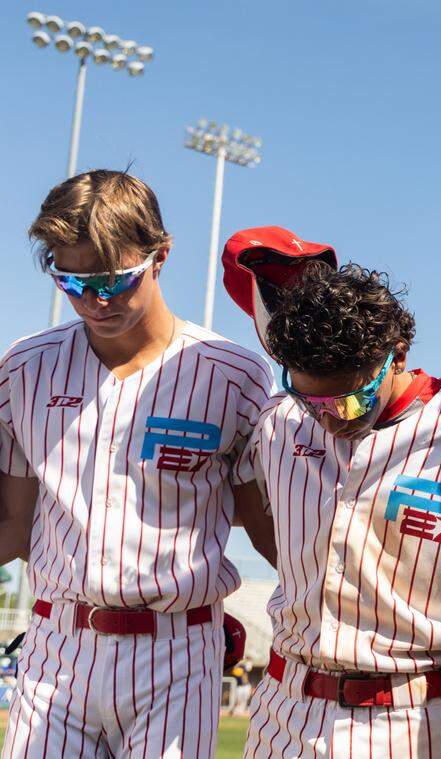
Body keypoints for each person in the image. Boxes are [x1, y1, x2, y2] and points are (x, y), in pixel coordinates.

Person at [0, 170, 276, 758]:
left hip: (178, 651)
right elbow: (12, 528)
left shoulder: (233, 374)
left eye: (113, 279)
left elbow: (271, 530)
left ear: (161, 254)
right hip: (56, 648)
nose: (93, 300)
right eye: (70, 280)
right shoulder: (24, 370)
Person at [232, 257, 441, 758]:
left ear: (397, 355)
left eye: (349, 403)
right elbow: (246, 501)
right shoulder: (280, 423)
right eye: (312, 401)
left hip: (417, 717)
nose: (329, 421)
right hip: (285, 708)